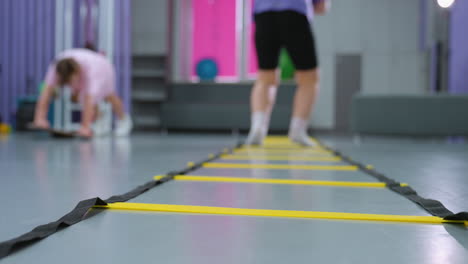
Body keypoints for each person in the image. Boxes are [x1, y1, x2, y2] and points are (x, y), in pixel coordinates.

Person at [246, 0, 329, 146]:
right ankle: (298, 130)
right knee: (309, 78)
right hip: (294, 14)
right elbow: (321, 7)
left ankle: (257, 127)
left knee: (265, 77)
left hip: (264, 16)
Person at [33, 48, 132, 138]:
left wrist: (85, 127)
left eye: (69, 81)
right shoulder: (56, 67)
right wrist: (39, 118)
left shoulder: (93, 71)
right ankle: (100, 120)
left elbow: (89, 100)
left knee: (108, 95)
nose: (68, 84)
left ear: (76, 72)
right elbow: (46, 92)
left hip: (102, 67)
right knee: (82, 97)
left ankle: (123, 119)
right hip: (83, 70)